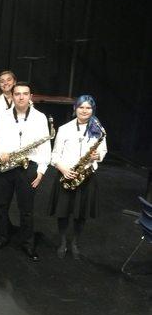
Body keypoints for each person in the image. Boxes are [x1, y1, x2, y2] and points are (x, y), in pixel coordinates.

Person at [0, 82, 51, 261]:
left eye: (25, 94)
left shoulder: (40, 118)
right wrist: (0, 152)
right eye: (17, 94)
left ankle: (28, 244)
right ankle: (0, 238)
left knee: (27, 210)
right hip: (4, 167)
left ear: (30, 96)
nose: (21, 97)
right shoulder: (2, 116)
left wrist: (41, 171)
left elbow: (45, 146)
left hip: (27, 167)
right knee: (1, 207)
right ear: (12, 96)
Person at [48, 95, 107, 259]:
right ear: (75, 109)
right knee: (63, 212)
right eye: (81, 107)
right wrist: (64, 170)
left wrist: (97, 156)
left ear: (92, 110)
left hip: (87, 176)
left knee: (81, 213)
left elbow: (103, 151)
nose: (84, 110)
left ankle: (74, 242)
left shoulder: (98, 129)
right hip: (66, 174)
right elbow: (55, 155)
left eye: (88, 108)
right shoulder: (64, 129)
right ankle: (62, 242)